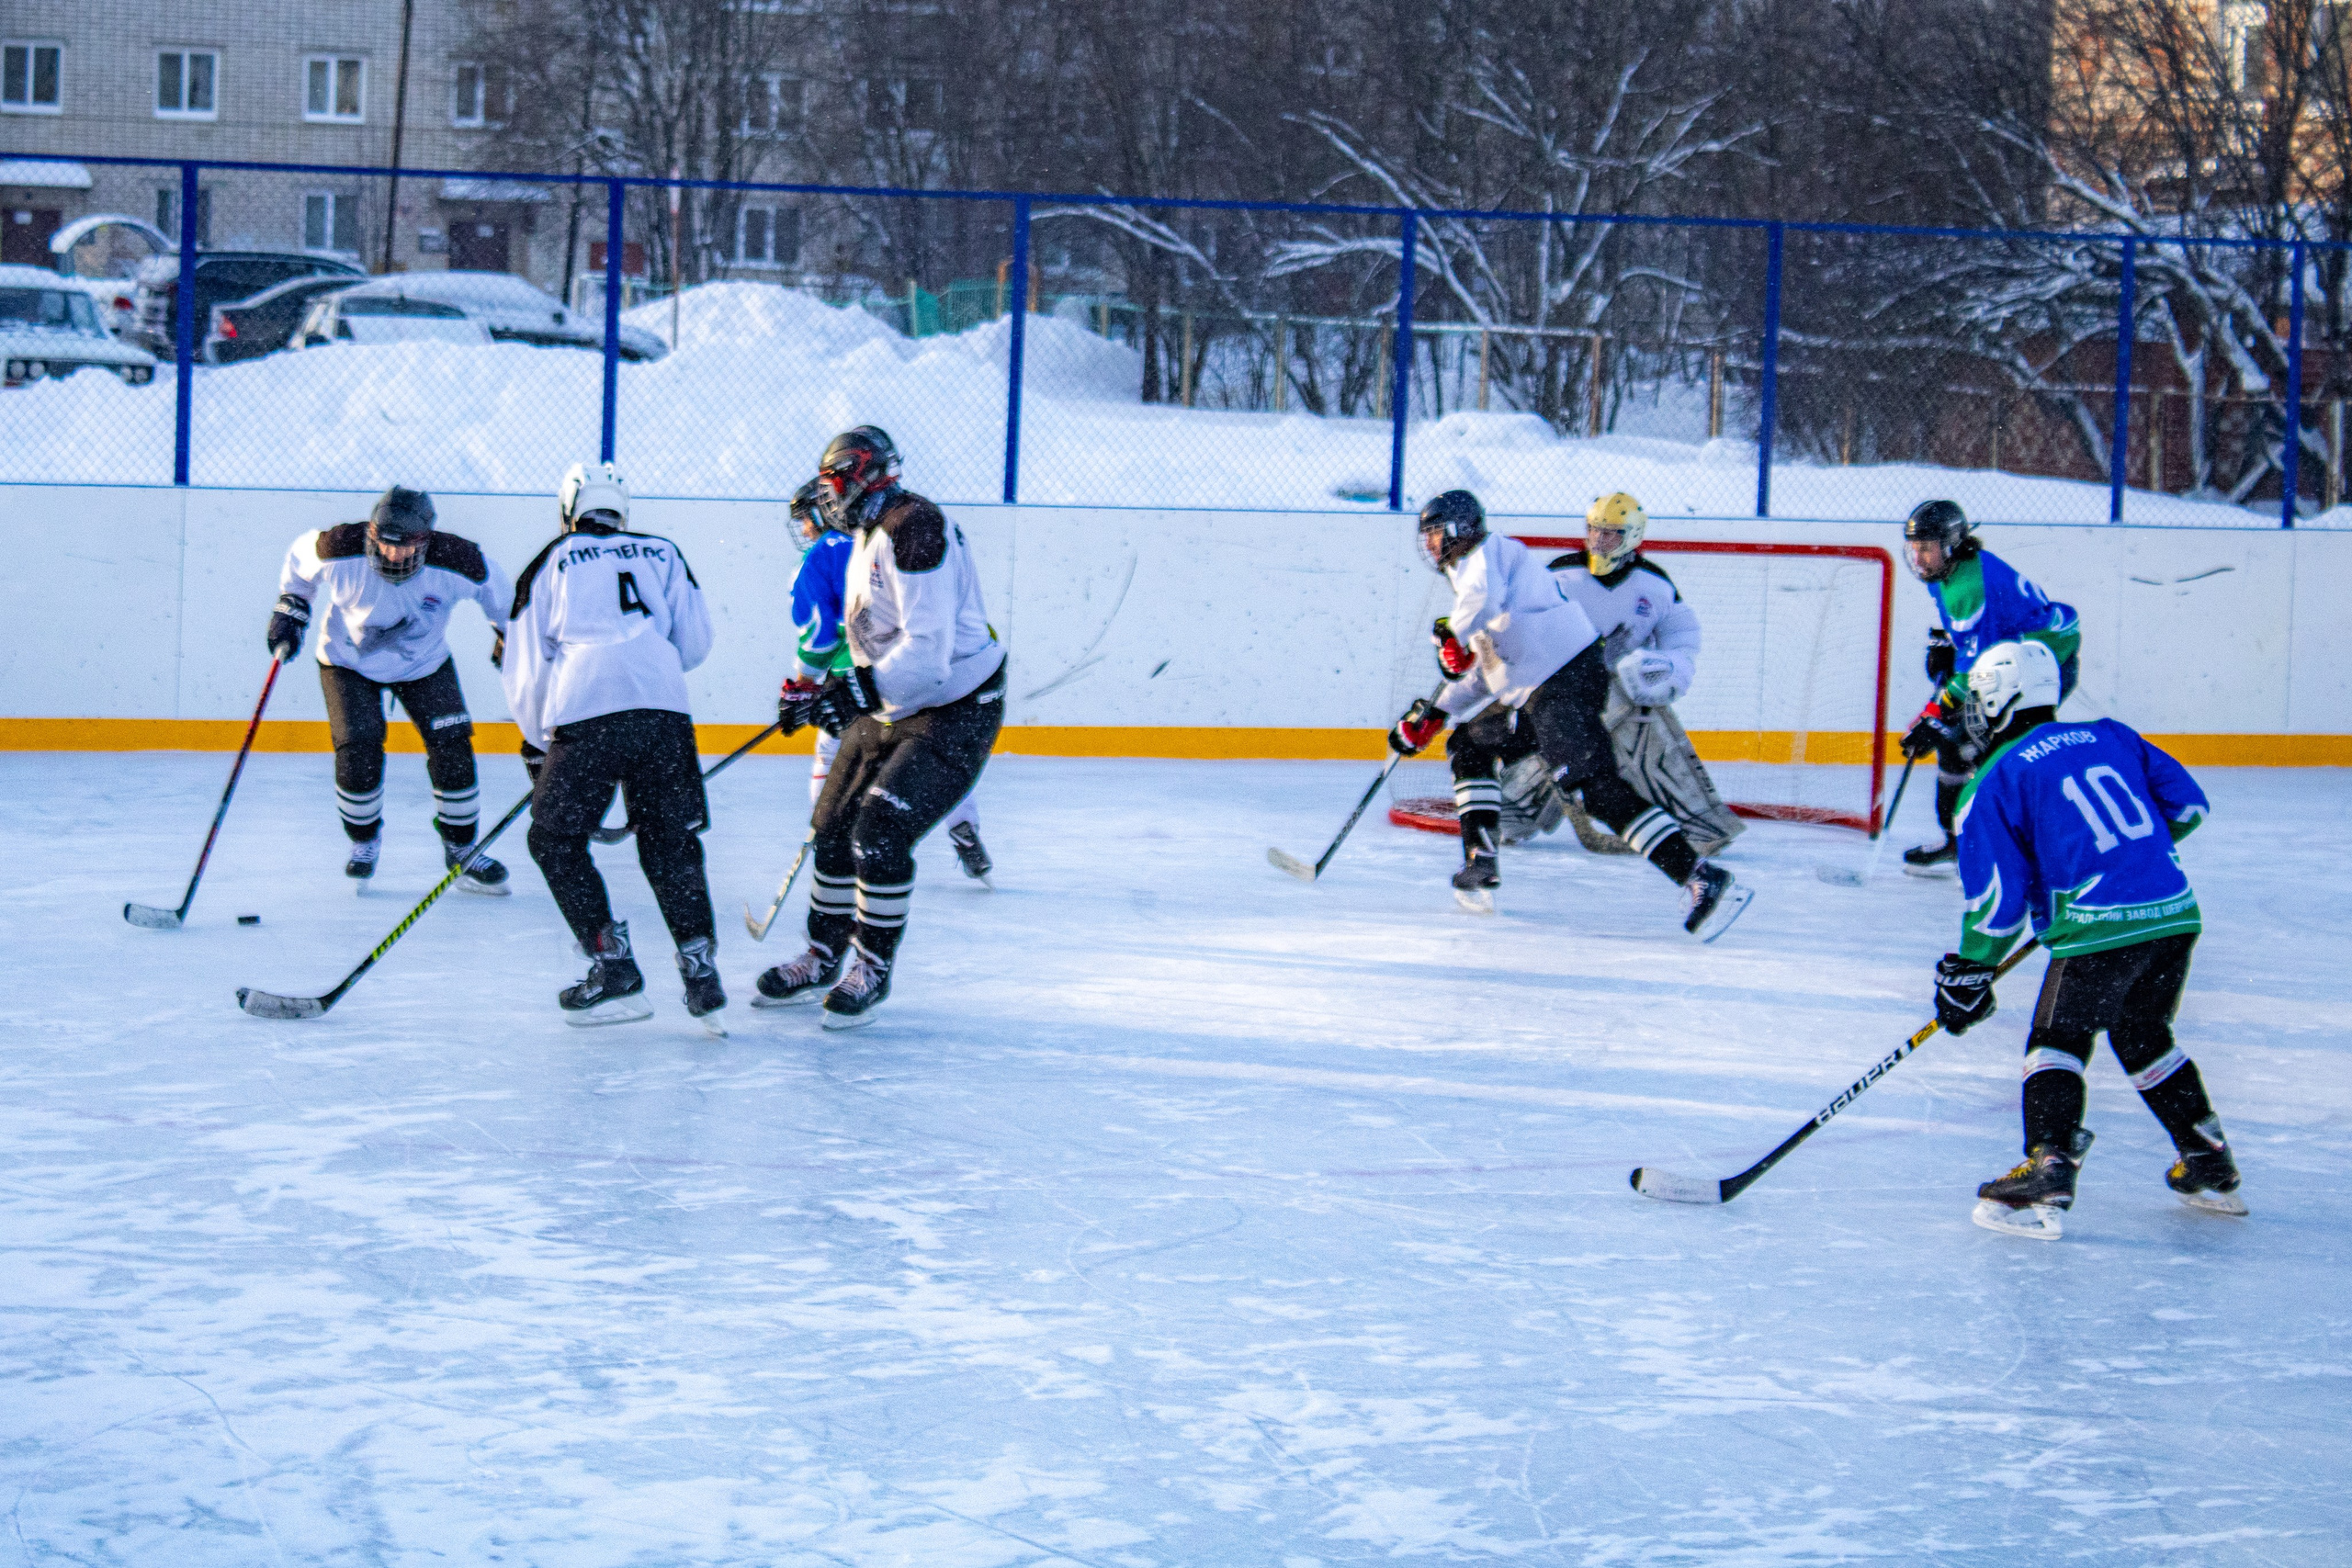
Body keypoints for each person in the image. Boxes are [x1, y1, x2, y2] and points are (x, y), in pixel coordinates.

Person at [1929, 639, 2243, 1240]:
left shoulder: (1994, 779)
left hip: (2098, 926)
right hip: (2172, 914)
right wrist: (2128, 861)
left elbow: (1997, 903)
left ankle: (2048, 1166)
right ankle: (2207, 1155)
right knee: (2143, 1034)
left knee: (2057, 1039)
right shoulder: (2111, 734)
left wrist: (1972, 968)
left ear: (1998, 701)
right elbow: (2189, 806)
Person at [1388, 489, 1750, 940]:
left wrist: (1449, 634)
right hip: (1535, 692)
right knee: (1468, 743)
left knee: (1594, 789)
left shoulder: (1486, 557)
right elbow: (1485, 669)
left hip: (1564, 681)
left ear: (1461, 529)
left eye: (1436, 533)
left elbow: (1479, 606)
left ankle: (1700, 876)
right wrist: (1436, 712)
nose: (1430, 543)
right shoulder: (1476, 583)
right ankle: (1480, 861)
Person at [755, 426, 1006, 1027]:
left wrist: (856, 691)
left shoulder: (915, 529)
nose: (826, 495)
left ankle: (871, 965)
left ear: (862, 477)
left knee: (880, 831)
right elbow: (869, 636)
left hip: (955, 706)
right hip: (898, 700)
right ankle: (823, 953)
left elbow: (929, 655)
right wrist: (813, 690)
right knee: (831, 825)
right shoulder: (869, 529)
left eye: (833, 481)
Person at [502, 461, 725, 1030]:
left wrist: (541, 743)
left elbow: (525, 671)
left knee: (553, 840)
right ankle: (701, 973)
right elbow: (695, 642)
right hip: (664, 710)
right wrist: (646, 667)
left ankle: (614, 966)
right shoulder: (663, 551)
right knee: (670, 842)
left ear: (568, 510)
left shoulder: (550, 560)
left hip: (586, 708)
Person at [267, 485, 513, 890]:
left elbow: (502, 599)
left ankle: (461, 848)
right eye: (384, 543)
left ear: (426, 540)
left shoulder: (458, 559)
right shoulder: (339, 547)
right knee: (358, 750)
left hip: (424, 665)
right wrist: (292, 605)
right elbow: (299, 559)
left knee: (452, 747)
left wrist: (509, 636)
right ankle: (364, 842)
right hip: (347, 663)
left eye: (405, 547)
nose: (392, 555)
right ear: (371, 533)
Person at [783, 476, 993, 882]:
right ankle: (963, 826)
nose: (805, 529)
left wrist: (803, 686)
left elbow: (821, 634)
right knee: (925, 763)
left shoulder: (819, 558)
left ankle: (827, 843)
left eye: (806, 518)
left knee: (831, 756)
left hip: (856, 681)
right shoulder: (881, 534)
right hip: (913, 677)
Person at [1545, 491, 1742, 856]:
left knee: (1648, 724)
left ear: (1633, 536)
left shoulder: (1656, 585)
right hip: (1560, 695)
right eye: (1594, 530)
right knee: (1535, 738)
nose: (1599, 540)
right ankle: (1511, 812)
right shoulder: (1558, 575)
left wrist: (1669, 670)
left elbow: (1683, 640)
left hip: (1621, 698)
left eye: (1610, 533)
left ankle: (1699, 823)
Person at [1898, 499, 2080, 875]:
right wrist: (1947, 642)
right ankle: (1958, 843)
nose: (1919, 558)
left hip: (2042, 667)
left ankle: (2029, 852)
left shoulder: (1970, 586)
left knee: (1998, 755)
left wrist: (1933, 714)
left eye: (1926, 548)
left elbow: (1972, 676)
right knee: (1954, 745)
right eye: (1915, 548)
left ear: (1951, 544)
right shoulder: (1947, 572)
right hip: (2007, 660)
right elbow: (1978, 637)